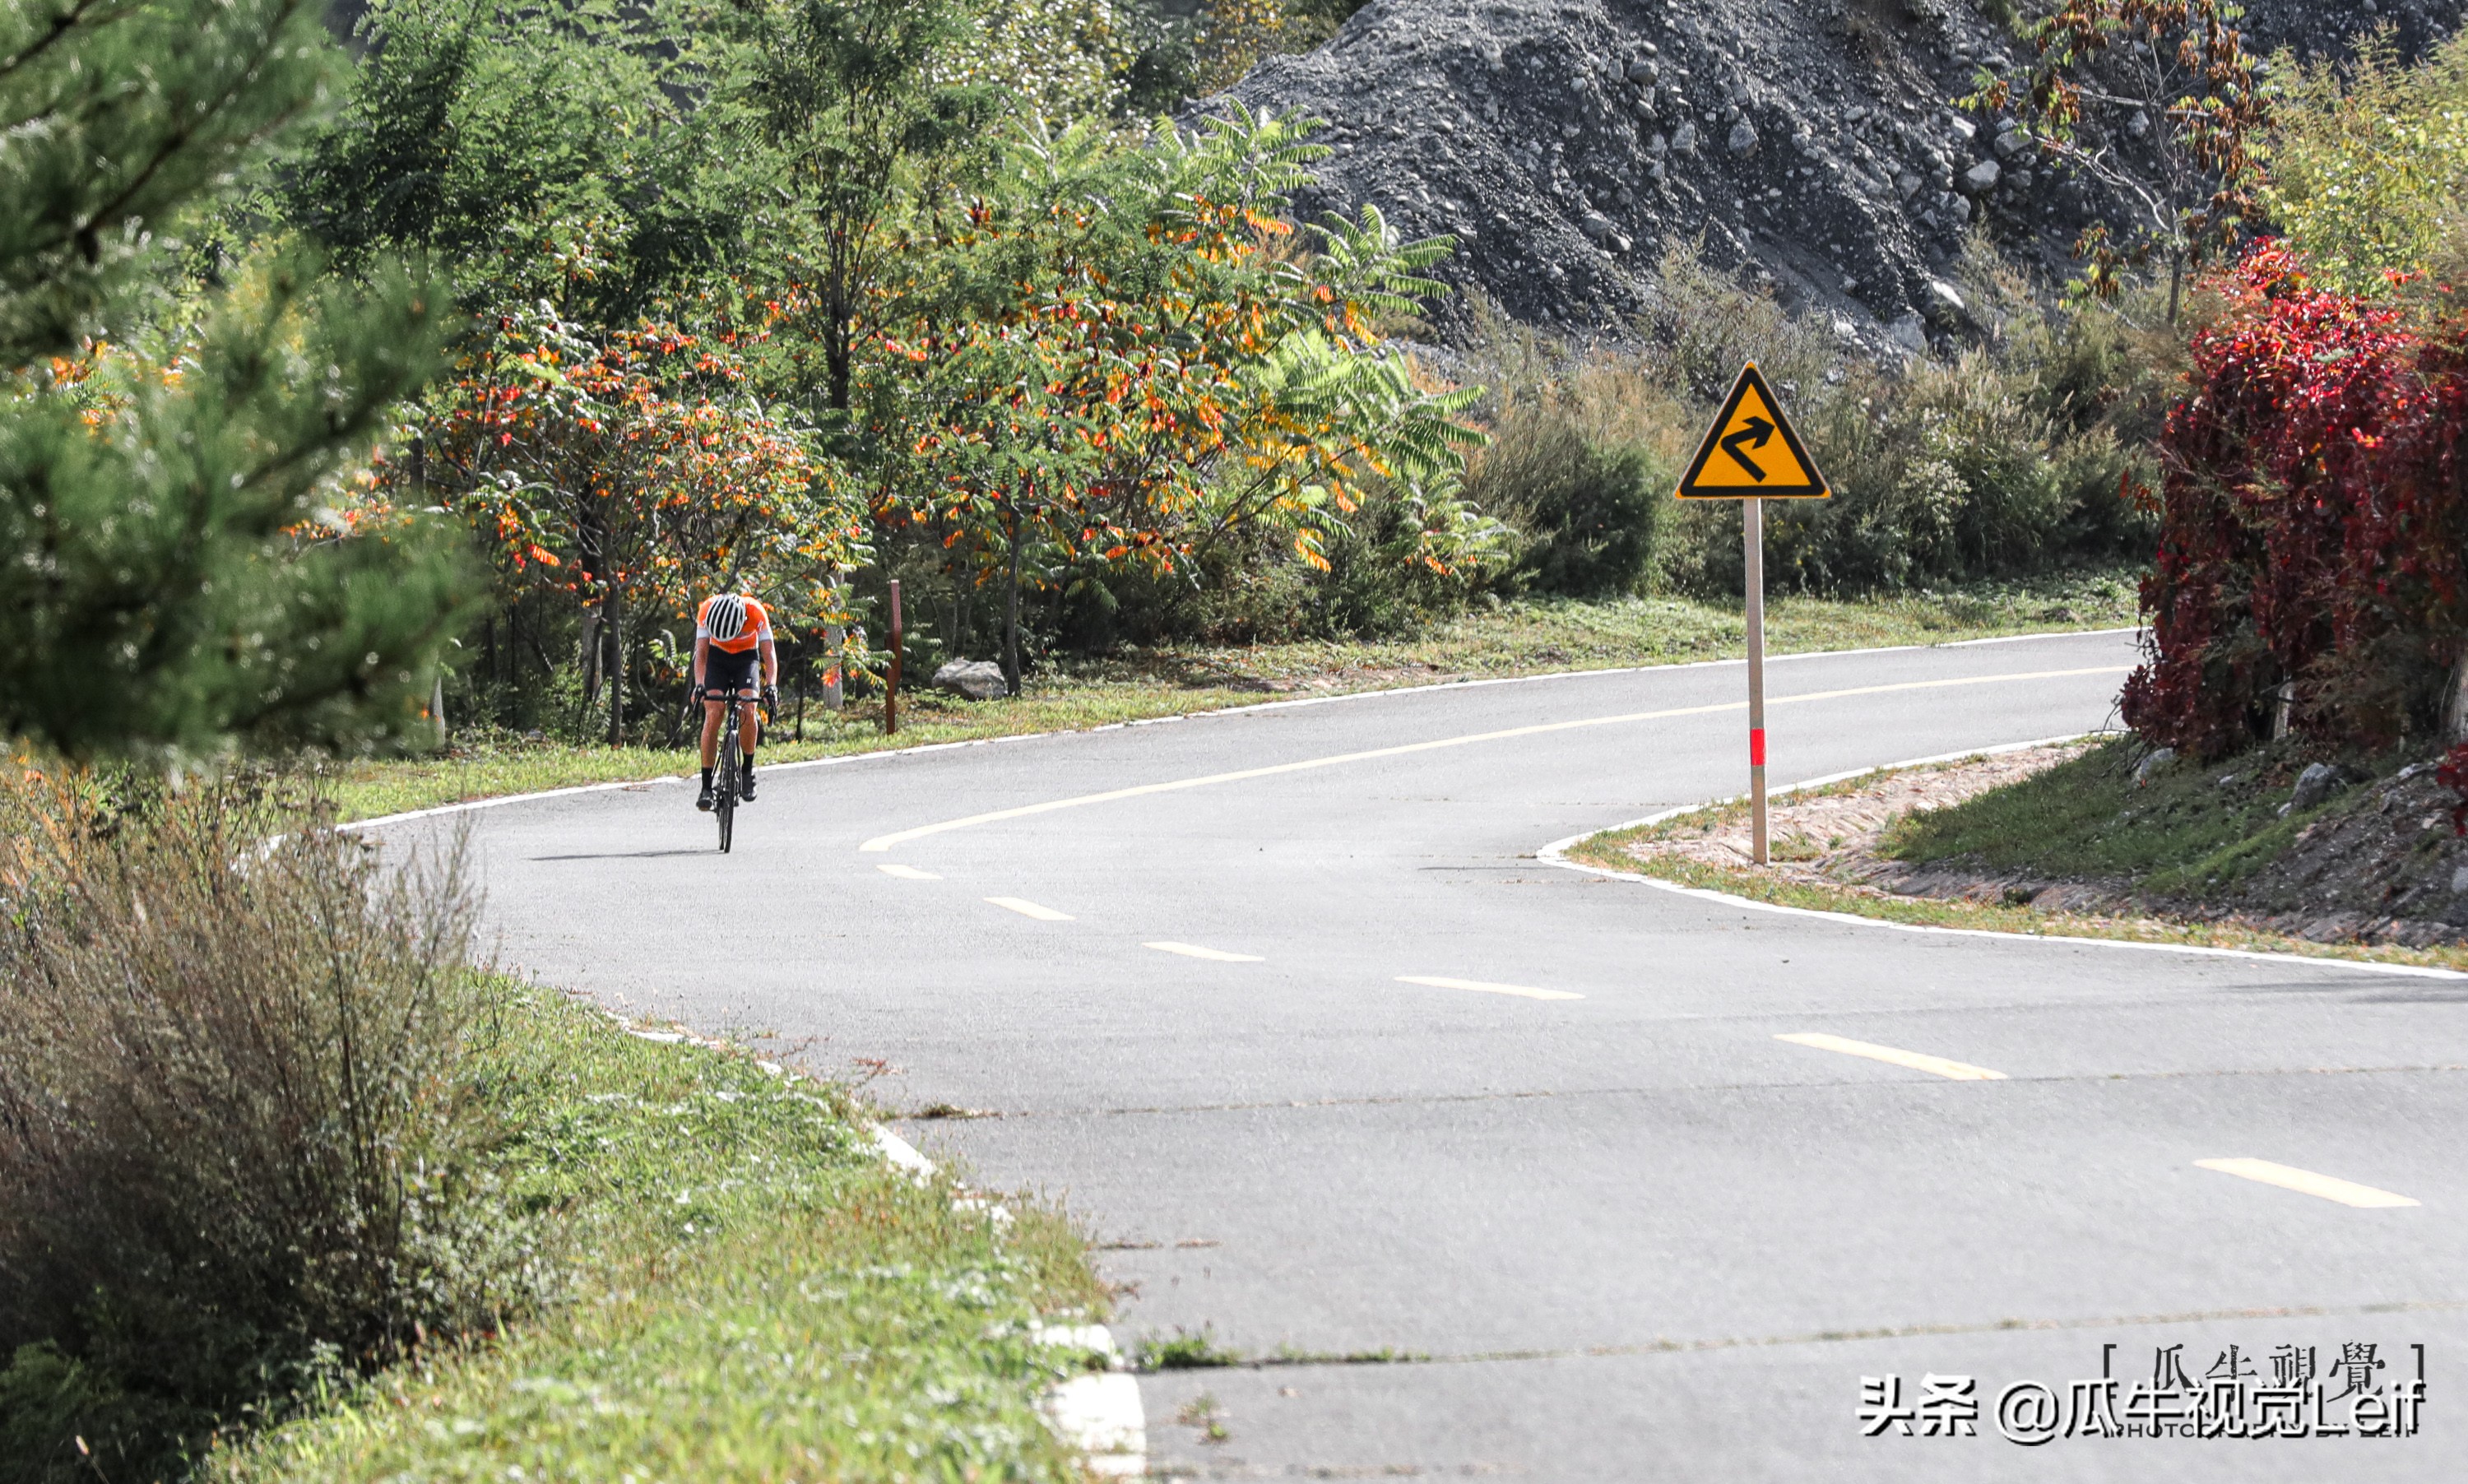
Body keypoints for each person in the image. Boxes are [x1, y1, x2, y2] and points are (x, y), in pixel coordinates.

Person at [690, 592, 777, 811]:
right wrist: (700, 685)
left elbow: (769, 654)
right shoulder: (706, 609)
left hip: (746, 659)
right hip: (715, 659)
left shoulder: (755, 611)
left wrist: (772, 686)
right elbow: (701, 653)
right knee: (714, 711)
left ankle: (747, 771)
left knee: (748, 708)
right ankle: (706, 786)